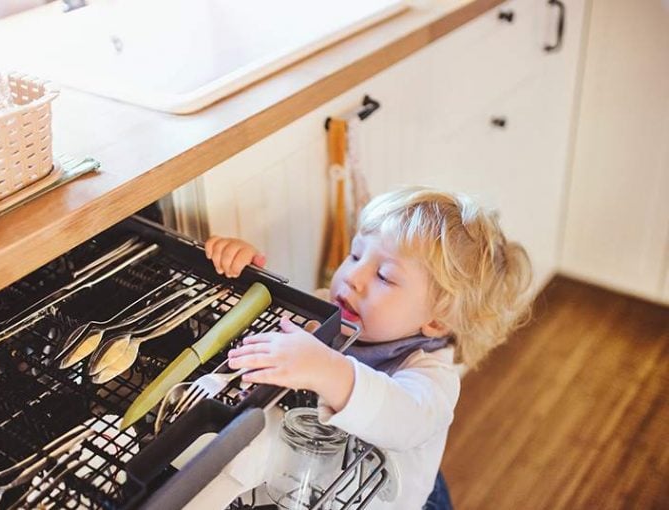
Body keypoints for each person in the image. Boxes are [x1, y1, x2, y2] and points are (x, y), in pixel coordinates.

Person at [196, 187, 533, 510]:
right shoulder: (327, 309)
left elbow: (404, 418)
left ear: (437, 322)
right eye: (356, 254)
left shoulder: (432, 378)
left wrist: (328, 370)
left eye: (385, 276)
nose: (354, 276)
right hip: (310, 485)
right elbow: (262, 325)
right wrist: (240, 278)